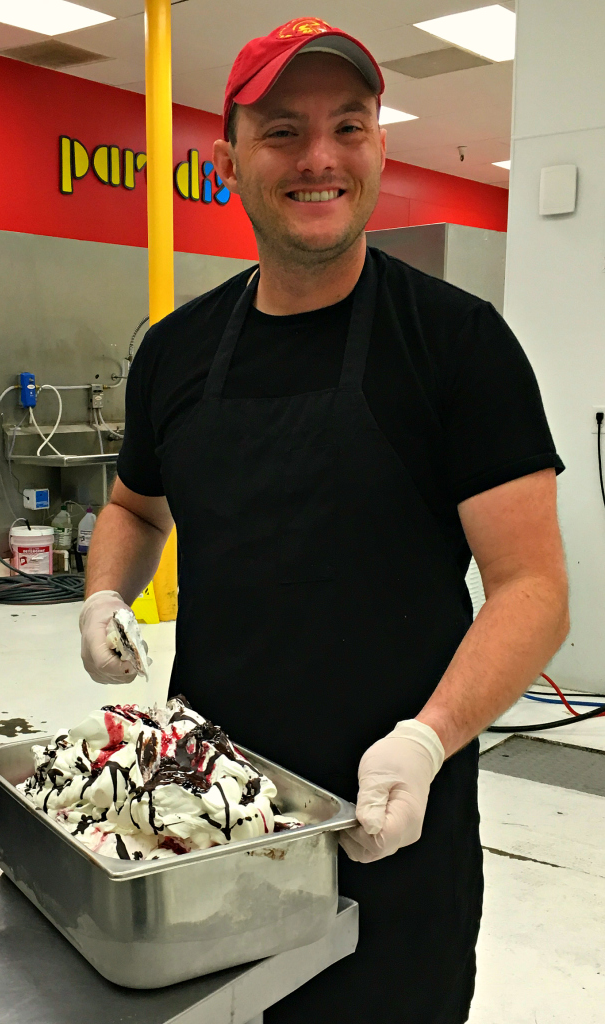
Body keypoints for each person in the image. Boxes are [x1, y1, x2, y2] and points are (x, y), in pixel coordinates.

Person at [78, 17, 569, 1024]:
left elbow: (535, 587)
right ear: (229, 161)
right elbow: (134, 504)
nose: (319, 158)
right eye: (283, 131)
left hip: (392, 819)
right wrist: (98, 594)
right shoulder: (176, 350)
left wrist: (430, 741)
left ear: (380, 147)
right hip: (203, 817)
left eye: (348, 126)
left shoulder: (457, 345)